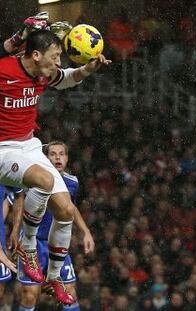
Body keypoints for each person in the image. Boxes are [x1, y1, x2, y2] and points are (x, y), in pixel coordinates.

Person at [0, 14, 111, 305]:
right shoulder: (4, 70)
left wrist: (88, 68)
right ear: (35, 55)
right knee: (46, 180)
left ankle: (53, 276)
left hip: (29, 147)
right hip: (2, 150)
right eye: (55, 55)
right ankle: (28, 248)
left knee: (65, 209)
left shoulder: (42, 73)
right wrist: (17, 37)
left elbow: (67, 80)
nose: (59, 61)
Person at [18, 141, 95, 311]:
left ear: (67, 158)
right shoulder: (34, 177)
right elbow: (18, 202)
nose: (58, 157)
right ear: (45, 157)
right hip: (33, 243)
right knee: (30, 294)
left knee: (70, 293)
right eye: (53, 154)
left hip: (56, 245)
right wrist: (14, 234)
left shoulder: (72, 182)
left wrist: (86, 232)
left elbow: (71, 208)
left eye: (62, 153)